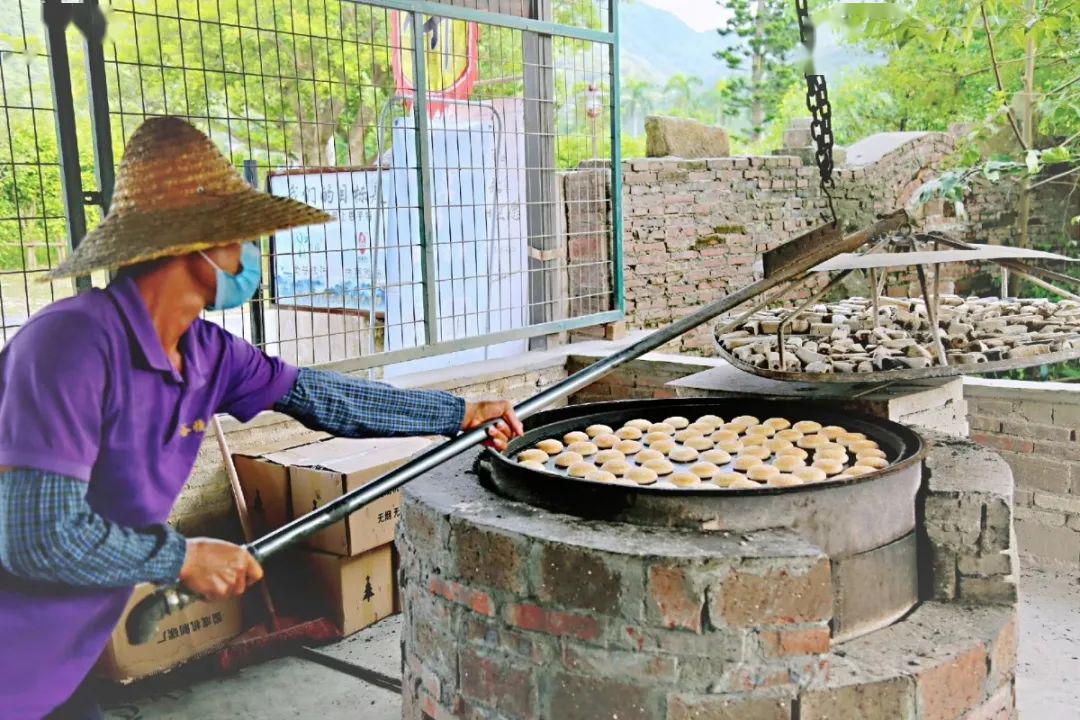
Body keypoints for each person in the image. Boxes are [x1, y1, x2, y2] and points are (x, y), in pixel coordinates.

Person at [0, 117, 523, 719]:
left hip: (61, 660)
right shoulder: (69, 346)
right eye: (241, 234)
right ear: (196, 245)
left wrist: (458, 413)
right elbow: (39, 538)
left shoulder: (207, 354)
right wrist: (182, 557)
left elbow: (323, 399)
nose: (253, 251)